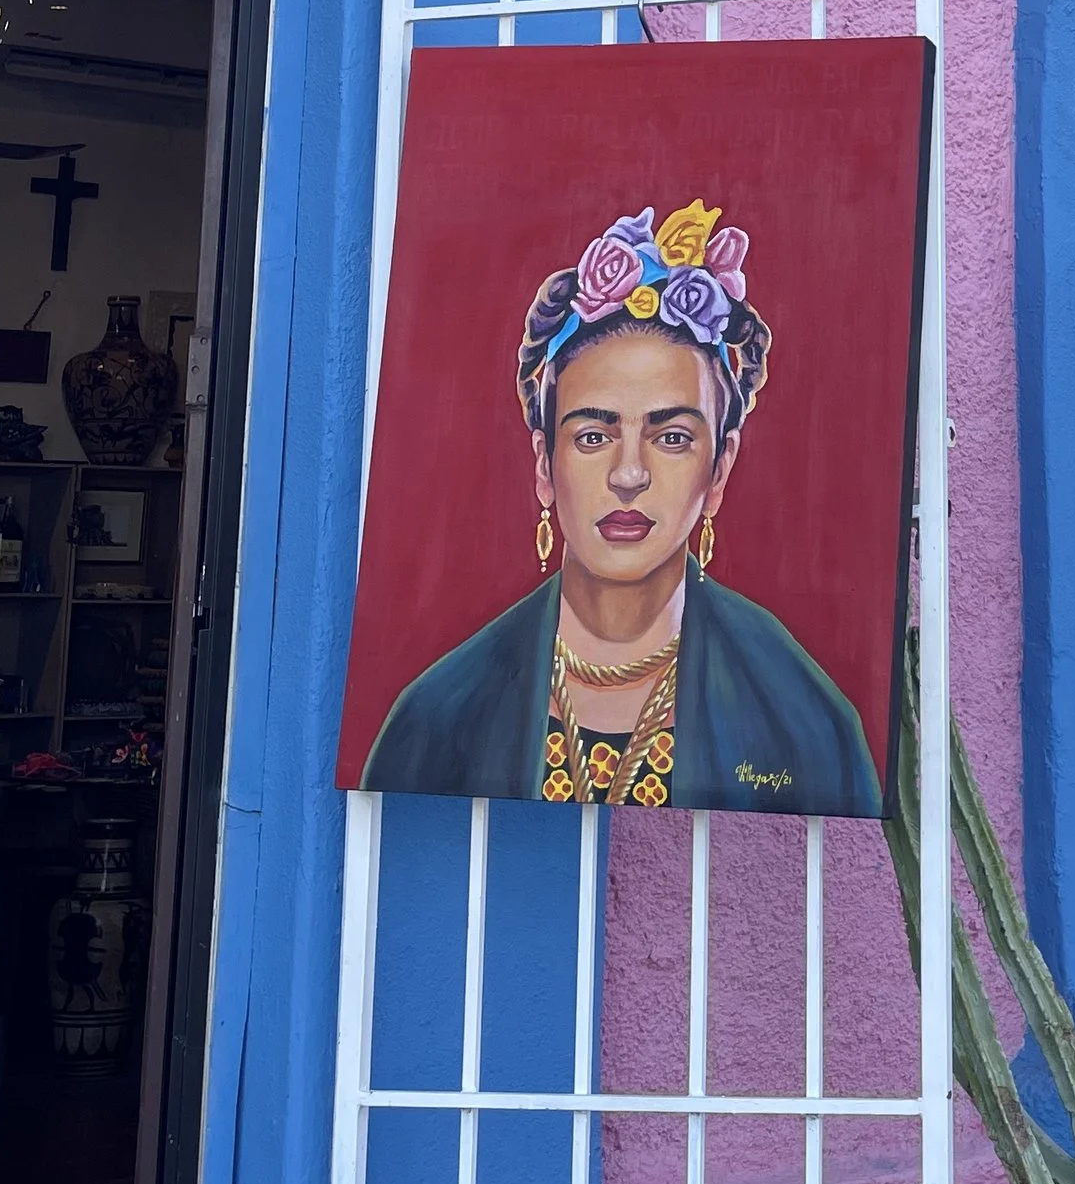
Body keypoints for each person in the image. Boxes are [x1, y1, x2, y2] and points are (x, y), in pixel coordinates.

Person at [361, 200, 879, 813]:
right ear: (543, 465)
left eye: (672, 437)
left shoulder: (804, 723)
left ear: (720, 469)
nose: (629, 474)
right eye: (592, 436)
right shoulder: (438, 718)